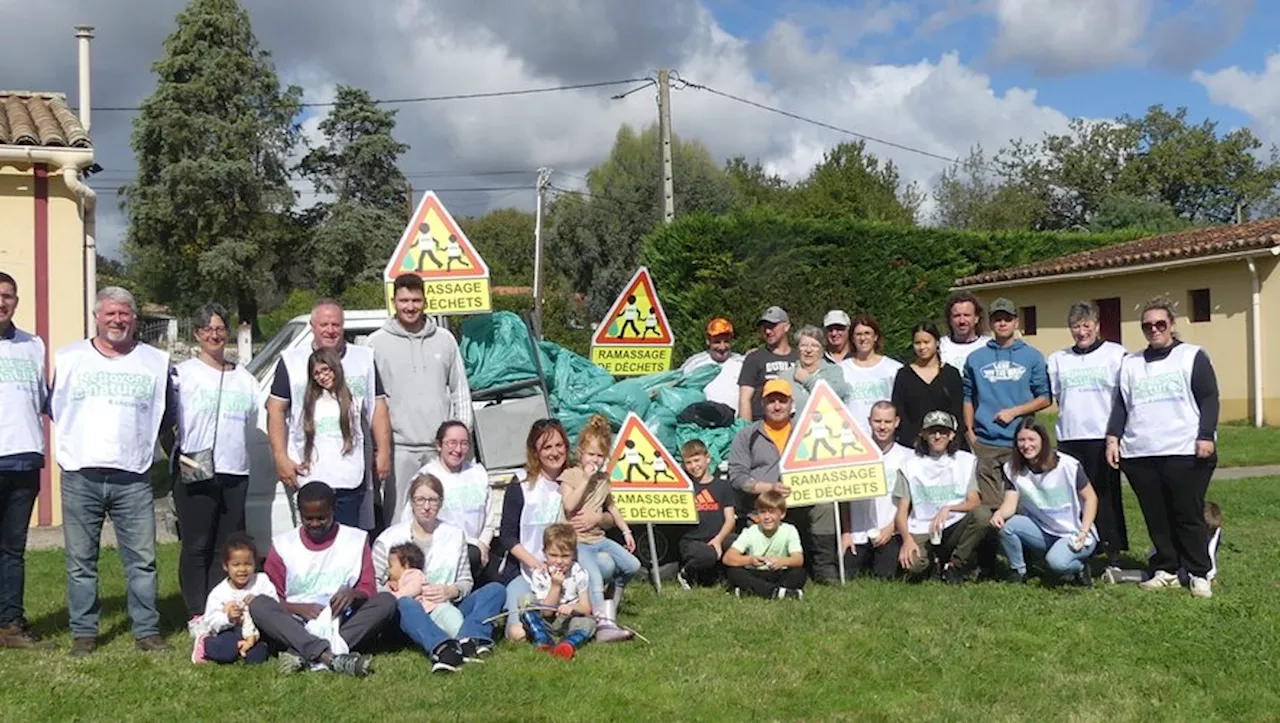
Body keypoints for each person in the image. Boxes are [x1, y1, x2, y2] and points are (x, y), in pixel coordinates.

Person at [51, 286, 173, 656]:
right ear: (96, 317)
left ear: (135, 318)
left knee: (142, 560)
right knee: (80, 562)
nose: (118, 320)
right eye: (110, 314)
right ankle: (84, 634)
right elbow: (53, 407)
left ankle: (147, 631)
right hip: (80, 474)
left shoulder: (155, 361)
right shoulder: (69, 358)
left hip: (133, 476)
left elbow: (165, 416)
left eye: (125, 314)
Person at [1106, 297, 1219, 599]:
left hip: (1184, 449)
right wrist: (1113, 438)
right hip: (1140, 451)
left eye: (1160, 324)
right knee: (1155, 515)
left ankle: (1198, 572)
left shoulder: (1191, 356)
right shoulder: (1130, 363)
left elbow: (1209, 398)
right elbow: (1120, 405)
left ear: (1172, 326)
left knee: (1187, 513)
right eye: (1147, 326)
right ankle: (1167, 568)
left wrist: (1206, 435)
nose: (1154, 330)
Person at [171, 303, 259, 636]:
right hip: (195, 468)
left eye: (220, 328)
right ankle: (196, 612)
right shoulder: (183, 374)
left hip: (235, 470)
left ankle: (222, 608)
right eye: (207, 328)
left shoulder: (244, 378)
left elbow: (253, 420)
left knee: (228, 546)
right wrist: (178, 455)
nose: (215, 334)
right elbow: (168, 423)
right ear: (196, 334)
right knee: (197, 544)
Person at [268, 299, 390, 531]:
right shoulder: (291, 361)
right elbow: (275, 410)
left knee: (350, 535)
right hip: (308, 468)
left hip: (350, 469)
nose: (330, 330)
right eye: (324, 324)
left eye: (336, 324)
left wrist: (383, 452)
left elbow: (379, 409)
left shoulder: (363, 359)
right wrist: (281, 458)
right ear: (313, 326)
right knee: (312, 536)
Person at [249, 481, 395, 676]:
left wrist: (353, 594)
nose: (315, 524)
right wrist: (298, 609)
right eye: (308, 518)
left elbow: (368, 589)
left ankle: (303, 651)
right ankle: (331, 658)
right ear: (299, 513)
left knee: (386, 601)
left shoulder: (355, 540)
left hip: (341, 620)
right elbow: (274, 598)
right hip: (297, 620)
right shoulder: (283, 545)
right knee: (259, 604)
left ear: (333, 511)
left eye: (322, 518)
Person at [372, 473, 505, 672]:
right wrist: (392, 590)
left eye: (433, 500)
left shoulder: (454, 535)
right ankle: (443, 647)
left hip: (445, 606)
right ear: (411, 502)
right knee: (405, 603)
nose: (426, 506)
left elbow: (466, 581)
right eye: (420, 500)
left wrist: (450, 591)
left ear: (441, 503)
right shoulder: (389, 538)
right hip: (410, 614)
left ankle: (471, 637)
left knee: (496, 590)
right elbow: (374, 585)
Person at [368, 274, 472, 524]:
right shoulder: (375, 343)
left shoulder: (445, 340)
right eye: (404, 300)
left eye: (416, 300)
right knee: (398, 521)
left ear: (425, 301)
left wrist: (460, 439)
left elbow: (460, 391)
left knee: (443, 517)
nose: (410, 306)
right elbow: (370, 402)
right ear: (394, 301)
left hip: (440, 450)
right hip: (398, 450)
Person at [727, 378, 838, 584]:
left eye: (782, 401)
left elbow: (823, 464)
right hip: (762, 504)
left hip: (800, 498)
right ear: (763, 404)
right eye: (771, 401)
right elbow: (737, 476)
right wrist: (767, 488)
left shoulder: (806, 432)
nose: (777, 406)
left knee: (826, 507)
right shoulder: (746, 435)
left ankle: (824, 567)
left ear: (791, 404)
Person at [1047, 301, 1127, 573]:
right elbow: (1056, 395)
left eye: (1086, 326)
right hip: (1069, 438)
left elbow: (1123, 398)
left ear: (1097, 326)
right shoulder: (1059, 359)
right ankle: (1081, 548)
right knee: (1075, 498)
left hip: (1102, 438)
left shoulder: (1115, 354)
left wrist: (1114, 436)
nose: (1081, 332)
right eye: (1075, 327)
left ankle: (1112, 552)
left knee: (1106, 496)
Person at [962, 298, 1050, 510]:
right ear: (990, 324)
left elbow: (1045, 398)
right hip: (986, 442)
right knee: (990, 505)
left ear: (1016, 322)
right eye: (997, 319)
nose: (1002, 324)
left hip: (1020, 443)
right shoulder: (975, 358)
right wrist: (970, 433)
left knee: (1023, 504)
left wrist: (1015, 412)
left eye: (1007, 319)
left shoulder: (1032, 356)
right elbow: (967, 397)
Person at [0, 271, 49, 648]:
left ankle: (10, 624)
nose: (2, 302)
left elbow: (45, 399)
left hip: (24, 459)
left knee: (13, 549)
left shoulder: (34, 345)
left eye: (8, 296)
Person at [558, 415, 639, 643]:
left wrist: (626, 531)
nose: (595, 460)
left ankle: (611, 603)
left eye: (600, 456)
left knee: (632, 565)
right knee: (592, 575)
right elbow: (569, 505)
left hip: (598, 538)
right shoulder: (571, 475)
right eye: (591, 454)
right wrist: (585, 479)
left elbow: (611, 506)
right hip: (578, 541)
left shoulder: (604, 479)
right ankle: (604, 626)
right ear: (581, 452)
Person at [991, 418, 1098, 586]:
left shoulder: (1067, 465)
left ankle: (1080, 568)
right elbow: (1010, 504)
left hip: (1075, 533)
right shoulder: (1012, 469)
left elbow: (1091, 498)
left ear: (1043, 440)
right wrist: (999, 513)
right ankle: (1018, 572)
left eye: (1031, 439)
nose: (1026, 445)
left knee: (1056, 563)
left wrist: (1084, 531)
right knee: (1007, 527)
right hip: (1044, 530)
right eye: (1021, 440)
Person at [894, 411, 991, 584]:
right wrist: (906, 540)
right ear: (923, 434)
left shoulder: (965, 461)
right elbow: (902, 511)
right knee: (912, 566)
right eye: (932, 432)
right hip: (923, 526)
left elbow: (974, 502)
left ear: (952, 435)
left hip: (954, 523)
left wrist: (950, 508)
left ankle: (955, 564)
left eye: (943, 432)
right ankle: (933, 562)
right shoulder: (909, 465)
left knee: (983, 515)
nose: (937, 436)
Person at [402, 421, 499, 584]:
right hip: (443, 551)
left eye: (464, 443)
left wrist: (484, 544)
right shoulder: (427, 477)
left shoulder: (477, 473)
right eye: (451, 443)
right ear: (439, 445)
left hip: (479, 550)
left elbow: (490, 518)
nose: (458, 449)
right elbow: (409, 523)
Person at [499, 419, 569, 641]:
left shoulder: (573, 481)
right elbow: (507, 536)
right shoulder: (521, 484)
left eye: (559, 445)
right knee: (516, 634)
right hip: (524, 568)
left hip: (564, 566)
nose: (555, 452)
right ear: (535, 452)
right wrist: (535, 563)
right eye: (547, 447)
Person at [286, 348, 367, 527]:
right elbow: (296, 435)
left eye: (325, 370)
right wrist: (296, 461)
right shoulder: (307, 403)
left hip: (347, 480)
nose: (322, 377)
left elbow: (359, 438)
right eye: (316, 373)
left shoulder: (353, 401)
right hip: (317, 480)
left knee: (347, 533)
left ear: (335, 368)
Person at [842, 402, 910, 580]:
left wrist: (891, 528)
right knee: (847, 575)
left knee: (885, 576)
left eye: (887, 422)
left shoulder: (908, 457)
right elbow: (844, 498)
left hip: (890, 531)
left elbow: (910, 503)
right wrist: (846, 532)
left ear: (896, 422)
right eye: (877, 421)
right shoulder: (853, 455)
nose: (882, 426)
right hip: (857, 532)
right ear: (869, 421)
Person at [191, 532, 276, 665]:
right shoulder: (220, 592)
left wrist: (259, 601)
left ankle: (244, 648)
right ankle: (205, 643)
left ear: (255, 563)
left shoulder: (262, 581)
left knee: (256, 658)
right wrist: (228, 618)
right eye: (236, 565)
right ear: (226, 566)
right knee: (225, 651)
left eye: (248, 564)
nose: (242, 569)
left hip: (257, 631)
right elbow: (211, 620)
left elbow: (274, 605)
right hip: (230, 631)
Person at [517, 522, 596, 660]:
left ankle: (567, 644)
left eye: (565, 556)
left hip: (569, 621)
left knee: (589, 623)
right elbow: (546, 611)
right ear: (544, 554)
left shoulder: (579, 573)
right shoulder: (540, 574)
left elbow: (585, 608)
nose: (559, 561)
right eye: (553, 555)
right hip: (545, 620)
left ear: (574, 554)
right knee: (525, 599)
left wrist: (571, 608)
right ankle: (542, 638)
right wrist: (555, 586)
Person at [891, 321, 965, 449]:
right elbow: (900, 412)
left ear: (937, 343)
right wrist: (914, 442)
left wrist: (951, 441)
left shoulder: (950, 374)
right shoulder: (904, 375)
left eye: (926, 342)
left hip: (947, 447)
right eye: (917, 343)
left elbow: (958, 412)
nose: (922, 347)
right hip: (913, 447)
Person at [722, 490, 805, 599]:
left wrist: (783, 561)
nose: (767, 517)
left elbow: (798, 559)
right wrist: (750, 560)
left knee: (799, 573)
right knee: (733, 572)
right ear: (757, 514)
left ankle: (751, 591)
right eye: (762, 512)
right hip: (755, 571)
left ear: (782, 514)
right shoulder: (750, 531)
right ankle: (775, 592)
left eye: (771, 512)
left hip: (779, 571)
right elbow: (728, 558)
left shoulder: (789, 530)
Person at [676, 439, 736, 589]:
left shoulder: (723, 486)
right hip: (692, 540)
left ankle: (727, 577)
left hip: (719, 536)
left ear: (707, 459)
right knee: (707, 555)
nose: (694, 466)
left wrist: (718, 539)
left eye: (697, 460)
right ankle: (686, 573)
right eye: (688, 462)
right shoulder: (684, 488)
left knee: (741, 544)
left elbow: (730, 519)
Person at [839, 314, 903, 428]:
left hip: (883, 436)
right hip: (851, 438)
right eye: (858, 334)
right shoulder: (840, 369)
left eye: (867, 333)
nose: (863, 338)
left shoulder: (894, 369)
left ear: (875, 337)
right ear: (852, 338)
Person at [737, 306, 797, 421]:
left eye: (773, 326)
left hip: (794, 424)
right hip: (762, 424)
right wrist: (746, 432)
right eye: (765, 327)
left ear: (786, 327)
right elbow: (744, 399)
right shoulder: (754, 358)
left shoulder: (799, 358)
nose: (768, 331)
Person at [778, 325, 852, 412]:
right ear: (797, 349)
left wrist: (808, 380)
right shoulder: (785, 376)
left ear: (822, 350)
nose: (808, 350)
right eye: (804, 345)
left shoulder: (834, 371)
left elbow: (834, 396)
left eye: (814, 346)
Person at [679, 318, 745, 410]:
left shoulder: (742, 363)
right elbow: (677, 386)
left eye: (726, 342)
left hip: (737, 423)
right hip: (702, 421)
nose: (722, 347)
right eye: (717, 342)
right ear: (708, 341)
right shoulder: (695, 363)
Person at [939, 291, 991, 376]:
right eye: (957, 316)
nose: (962, 321)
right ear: (949, 319)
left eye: (967, 315)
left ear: (976, 318)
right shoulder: (940, 346)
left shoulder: (988, 345)